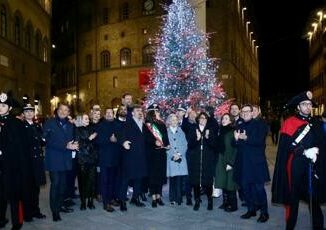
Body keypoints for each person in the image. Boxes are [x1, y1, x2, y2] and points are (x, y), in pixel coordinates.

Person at [272, 91, 326, 230]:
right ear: (298, 107)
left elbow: (322, 144)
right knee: (293, 199)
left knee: (313, 199)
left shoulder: (316, 122)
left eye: (309, 104)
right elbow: (286, 147)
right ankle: (290, 227)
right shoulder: (290, 122)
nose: (308, 107)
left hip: (312, 166)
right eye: (304, 104)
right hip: (295, 166)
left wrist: (317, 153)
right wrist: (304, 151)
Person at [0, 92, 33, 230]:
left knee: (14, 196)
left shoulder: (15, 124)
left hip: (12, 167)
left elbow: (21, 148)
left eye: (3, 105)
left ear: (9, 107)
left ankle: (17, 222)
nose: (0, 107)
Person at [233, 104, 270, 223]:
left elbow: (260, 142)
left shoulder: (260, 125)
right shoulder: (239, 125)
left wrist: (246, 138)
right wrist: (236, 139)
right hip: (243, 163)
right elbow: (235, 145)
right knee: (246, 188)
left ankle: (264, 212)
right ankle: (251, 209)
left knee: (259, 188)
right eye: (242, 112)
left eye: (247, 111)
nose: (245, 113)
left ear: (252, 112)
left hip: (256, 163)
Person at [43, 103, 78, 221]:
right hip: (54, 158)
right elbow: (46, 140)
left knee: (63, 185)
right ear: (57, 110)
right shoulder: (50, 123)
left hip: (66, 159)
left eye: (66, 110)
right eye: (61, 109)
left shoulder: (70, 125)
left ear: (69, 113)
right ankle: (55, 212)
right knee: (56, 184)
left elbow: (73, 139)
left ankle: (60, 205)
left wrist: (74, 144)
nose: (63, 112)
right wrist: (65, 146)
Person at [119, 105, 148, 211]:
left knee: (138, 178)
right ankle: (122, 201)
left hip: (141, 156)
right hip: (130, 156)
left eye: (141, 110)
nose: (140, 112)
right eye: (137, 110)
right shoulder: (127, 123)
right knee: (126, 179)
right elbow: (121, 135)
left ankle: (135, 198)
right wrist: (123, 142)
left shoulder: (144, 124)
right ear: (132, 113)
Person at [187, 112, 217, 211]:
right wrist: (197, 138)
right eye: (201, 118)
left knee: (208, 182)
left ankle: (210, 201)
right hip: (195, 160)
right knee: (196, 182)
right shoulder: (193, 129)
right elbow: (190, 145)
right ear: (198, 119)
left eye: (204, 118)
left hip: (207, 160)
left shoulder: (211, 130)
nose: (202, 119)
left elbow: (214, 146)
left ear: (207, 120)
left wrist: (208, 138)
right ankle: (197, 200)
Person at [22, 104, 47, 220]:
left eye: (31, 111)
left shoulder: (37, 126)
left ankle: (36, 211)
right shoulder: (21, 126)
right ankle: (27, 214)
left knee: (36, 189)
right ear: (23, 113)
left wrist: (45, 139)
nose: (29, 113)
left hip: (37, 161)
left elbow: (42, 142)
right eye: (26, 111)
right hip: (27, 162)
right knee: (27, 189)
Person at [144, 104, 170, 208]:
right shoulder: (147, 125)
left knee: (160, 176)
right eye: (155, 111)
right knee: (153, 177)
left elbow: (165, 137)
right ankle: (154, 197)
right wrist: (154, 142)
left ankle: (159, 196)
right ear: (151, 112)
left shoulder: (162, 124)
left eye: (158, 111)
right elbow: (145, 139)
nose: (157, 112)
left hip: (161, 154)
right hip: (152, 154)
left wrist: (167, 144)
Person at [215, 113, 238, 212]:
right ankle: (225, 202)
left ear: (231, 121)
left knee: (230, 184)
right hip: (221, 159)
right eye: (223, 118)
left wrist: (231, 163)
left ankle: (233, 205)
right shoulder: (221, 131)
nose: (223, 120)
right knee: (223, 181)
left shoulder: (233, 132)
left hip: (229, 160)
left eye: (226, 118)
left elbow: (236, 149)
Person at [74, 114, 97, 210]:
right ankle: (83, 202)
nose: (88, 120)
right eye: (85, 118)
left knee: (92, 181)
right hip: (82, 159)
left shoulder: (92, 128)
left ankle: (91, 201)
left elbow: (96, 144)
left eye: (88, 118)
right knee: (82, 181)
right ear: (81, 120)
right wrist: (89, 139)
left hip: (92, 159)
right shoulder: (77, 130)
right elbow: (78, 145)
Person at [166, 113, 188, 205]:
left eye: (175, 120)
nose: (174, 121)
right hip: (171, 158)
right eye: (172, 120)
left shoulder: (181, 131)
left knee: (179, 179)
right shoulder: (166, 132)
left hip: (180, 158)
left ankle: (179, 198)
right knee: (172, 179)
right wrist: (172, 154)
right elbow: (165, 145)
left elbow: (185, 144)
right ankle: (172, 198)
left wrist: (179, 154)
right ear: (169, 121)